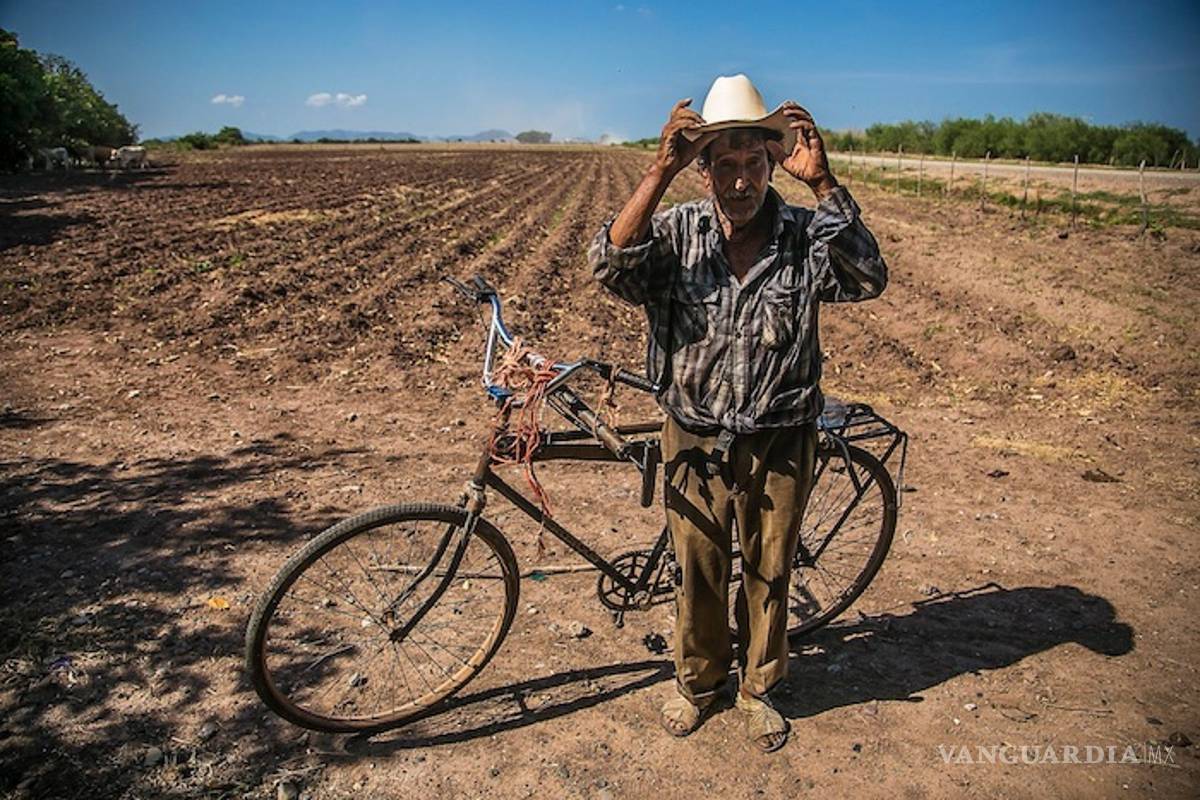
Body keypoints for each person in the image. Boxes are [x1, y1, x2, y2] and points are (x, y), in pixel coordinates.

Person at [588, 74, 888, 752]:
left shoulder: (806, 236)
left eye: (755, 163)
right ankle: (698, 684)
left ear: (771, 163)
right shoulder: (676, 235)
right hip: (693, 433)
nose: (742, 180)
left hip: (781, 437)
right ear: (706, 171)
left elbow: (868, 278)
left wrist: (825, 184)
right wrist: (658, 172)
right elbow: (609, 266)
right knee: (697, 570)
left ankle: (757, 689)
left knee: (769, 569)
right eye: (726, 164)